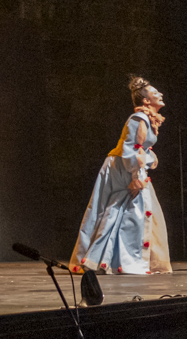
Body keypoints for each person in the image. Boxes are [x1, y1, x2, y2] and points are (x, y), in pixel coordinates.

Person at [70, 75, 172, 275]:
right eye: (155, 93)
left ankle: (114, 260)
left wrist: (148, 160)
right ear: (146, 101)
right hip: (122, 167)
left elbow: (142, 148)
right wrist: (135, 175)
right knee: (123, 209)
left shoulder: (146, 119)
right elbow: (132, 147)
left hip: (131, 166)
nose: (160, 94)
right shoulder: (138, 118)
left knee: (130, 210)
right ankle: (108, 260)